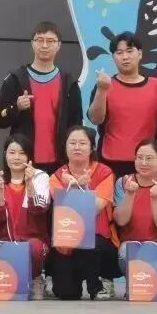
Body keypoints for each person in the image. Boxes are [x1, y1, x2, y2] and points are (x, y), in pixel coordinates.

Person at [0, 21, 83, 173]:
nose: (44, 45)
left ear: (59, 45)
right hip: (24, 162)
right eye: (40, 40)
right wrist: (17, 107)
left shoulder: (69, 83)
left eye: (50, 41)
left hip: (60, 163)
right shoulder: (15, 79)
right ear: (32, 44)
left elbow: (76, 125)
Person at [48, 126, 118, 300]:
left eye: (82, 143)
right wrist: (71, 186)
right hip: (68, 239)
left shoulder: (105, 173)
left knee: (90, 241)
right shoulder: (56, 176)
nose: (77, 147)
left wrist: (84, 188)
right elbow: (66, 209)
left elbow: (94, 209)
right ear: (65, 147)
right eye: (72, 143)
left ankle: (96, 286)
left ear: (92, 147)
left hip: (98, 239)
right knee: (66, 294)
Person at [86, 32, 157, 178]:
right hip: (110, 161)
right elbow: (95, 119)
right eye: (119, 53)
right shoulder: (104, 84)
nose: (125, 57)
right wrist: (102, 90)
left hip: (146, 163)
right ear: (113, 58)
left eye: (130, 51)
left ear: (140, 54)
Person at [0, 134, 51, 300]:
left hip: (33, 241)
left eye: (22, 153)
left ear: (29, 157)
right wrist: (0, 192)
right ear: (5, 155)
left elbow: (40, 208)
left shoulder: (40, 177)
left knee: (34, 247)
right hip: (5, 242)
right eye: (12, 152)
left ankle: (36, 278)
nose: (16, 157)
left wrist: (29, 184)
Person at [113, 138, 157, 285]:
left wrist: (155, 198)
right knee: (125, 252)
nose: (143, 163)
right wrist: (130, 194)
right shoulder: (123, 183)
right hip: (129, 247)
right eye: (139, 157)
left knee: (152, 279)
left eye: (149, 158)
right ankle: (135, 284)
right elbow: (121, 220)